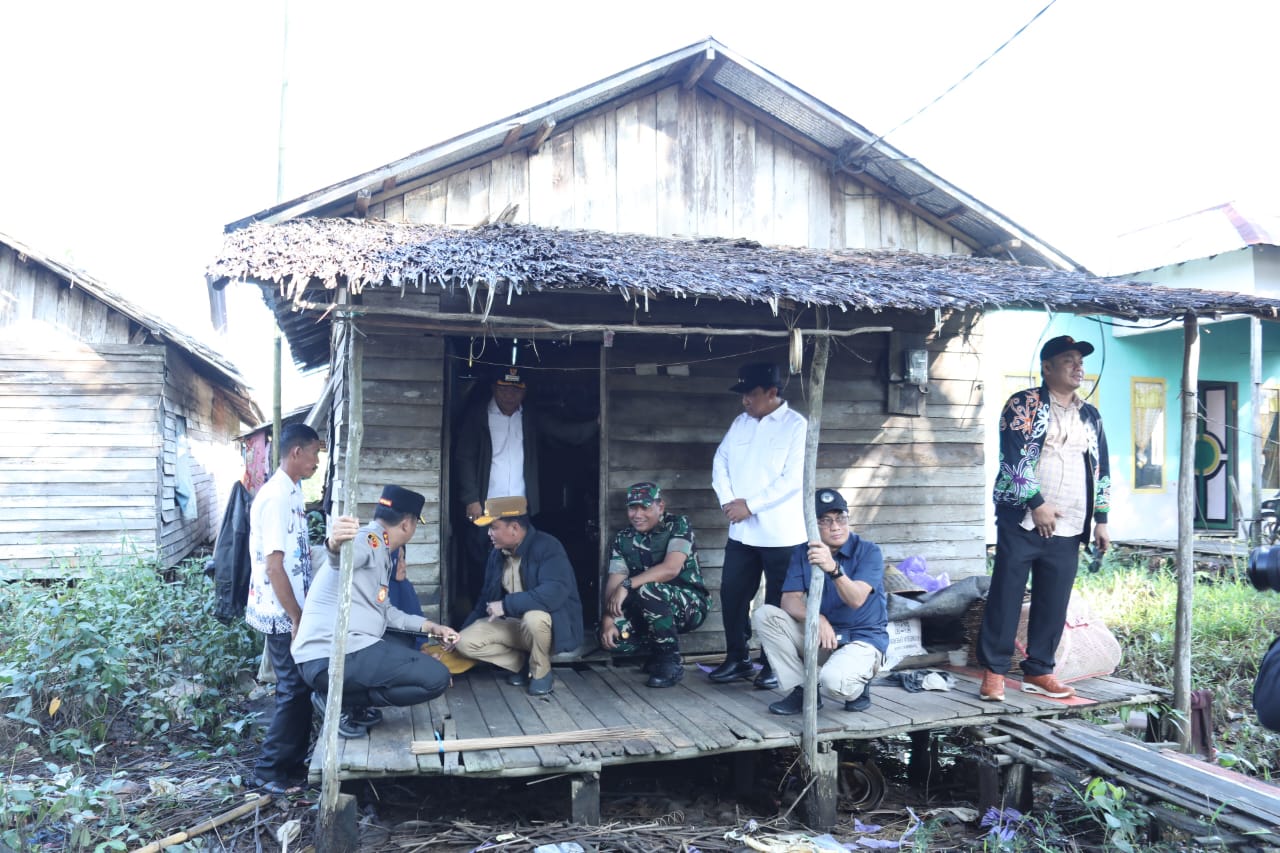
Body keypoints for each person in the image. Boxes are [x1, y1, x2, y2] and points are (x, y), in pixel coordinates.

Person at [978, 335, 1112, 702]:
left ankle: (1040, 670)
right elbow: (1013, 455)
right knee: (1006, 593)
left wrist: (1101, 518)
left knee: (1054, 598)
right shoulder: (1024, 404)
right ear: (1047, 367)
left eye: (1080, 361)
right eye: (1068, 360)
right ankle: (994, 672)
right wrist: (1036, 502)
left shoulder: (1090, 415)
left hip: (1071, 522)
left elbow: (1102, 468)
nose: (1078, 366)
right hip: (1023, 518)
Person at [293, 485, 457, 739]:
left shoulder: (383, 547)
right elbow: (344, 557)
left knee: (405, 639)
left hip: (337, 651)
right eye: (416, 524)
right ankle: (340, 702)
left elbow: (387, 611)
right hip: (329, 655)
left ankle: (347, 701)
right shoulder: (369, 540)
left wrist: (431, 628)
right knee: (436, 678)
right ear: (406, 524)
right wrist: (334, 544)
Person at [453, 366, 597, 601]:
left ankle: (513, 612)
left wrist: (597, 424)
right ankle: (481, 614)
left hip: (519, 507)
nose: (509, 395)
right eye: (504, 389)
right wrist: (470, 499)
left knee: (520, 561)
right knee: (481, 561)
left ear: (524, 392)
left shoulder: (529, 415)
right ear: (494, 389)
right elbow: (464, 458)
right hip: (485, 505)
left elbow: (562, 432)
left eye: (516, 390)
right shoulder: (478, 416)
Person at [708, 362, 807, 689]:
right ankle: (737, 657)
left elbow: (793, 479)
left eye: (751, 394)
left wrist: (751, 505)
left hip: (782, 533)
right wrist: (728, 500)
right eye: (743, 395)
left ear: (772, 393)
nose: (745, 401)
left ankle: (772, 663)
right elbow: (720, 461)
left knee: (777, 602)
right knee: (733, 594)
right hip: (742, 532)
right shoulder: (740, 424)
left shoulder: (796, 426)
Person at [752, 488, 888, 715]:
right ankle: (805, 690)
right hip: (825, 637)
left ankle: (860, 685)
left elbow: (856, 599)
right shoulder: (802, 552)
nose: (835, 527)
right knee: (765, 615)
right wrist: (817, 618)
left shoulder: (868, 551)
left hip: (862, 639)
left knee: (834, 682)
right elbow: (788, 600)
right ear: (812, 526)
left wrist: (833, 569)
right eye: (825, 521)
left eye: (840, 518)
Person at [243, 423, 325, 793]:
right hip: (280, 610)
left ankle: (291, 762)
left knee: (301, 685)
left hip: (293, 606)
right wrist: (295, 615)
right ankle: (269, 769)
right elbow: (274, 565)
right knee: (292, 687)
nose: (317, 461)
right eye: (315, 454)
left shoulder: (292, 490)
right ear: (296, 453)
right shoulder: (275, 496)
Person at [454, 496, 584, 695]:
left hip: (548, 627)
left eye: (493, 527)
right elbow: (484, 600)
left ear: (514, 527)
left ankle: (541, 672)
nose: (489, 533)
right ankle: (524, 664)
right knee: (464, 641)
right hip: (516, 626)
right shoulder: (496, 553)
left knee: (534, 617)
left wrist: (505, 606)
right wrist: (455, 636)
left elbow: (554, 593)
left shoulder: (548, 546)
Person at [599, 483, 712, 688]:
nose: (637, 514)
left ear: (660, 506)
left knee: (647, 589)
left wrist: (627, 585)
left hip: (689, 605)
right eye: (633, 508)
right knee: (618, 640)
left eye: (645, 507)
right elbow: (614, 581)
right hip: (649, 607)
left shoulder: (678, 525)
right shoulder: (623, 538)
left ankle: (670, 660)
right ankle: (657, 652)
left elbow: (671, 568)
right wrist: (608, 619)